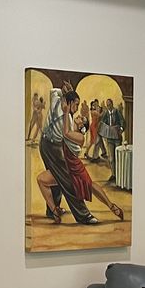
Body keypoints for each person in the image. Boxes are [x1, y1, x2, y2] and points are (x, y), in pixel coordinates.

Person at [36, 87, 96, 225]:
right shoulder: (67, 117)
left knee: (55, 176)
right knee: (67, 180)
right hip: (54, 149)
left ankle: (52, 210)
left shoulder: (56, 100)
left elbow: (54, 91)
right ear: (70, 102)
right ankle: (83, 215)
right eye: (76, 104)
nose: (77, 108)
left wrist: (65, 94)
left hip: (44, 145)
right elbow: (68, 136)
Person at [99, 96, 124, 173]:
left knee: (118, 156)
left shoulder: (116, 111)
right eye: (107, 105)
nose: (108, 107)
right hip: (110, 138)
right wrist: (104, 130)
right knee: (111, 158)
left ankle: (119, 174)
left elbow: (122, 121)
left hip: (117, 137)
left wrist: (121, 129)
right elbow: (102, 122)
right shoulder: (106, 113)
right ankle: (113, 174)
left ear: (112, 104)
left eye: (109, 105)